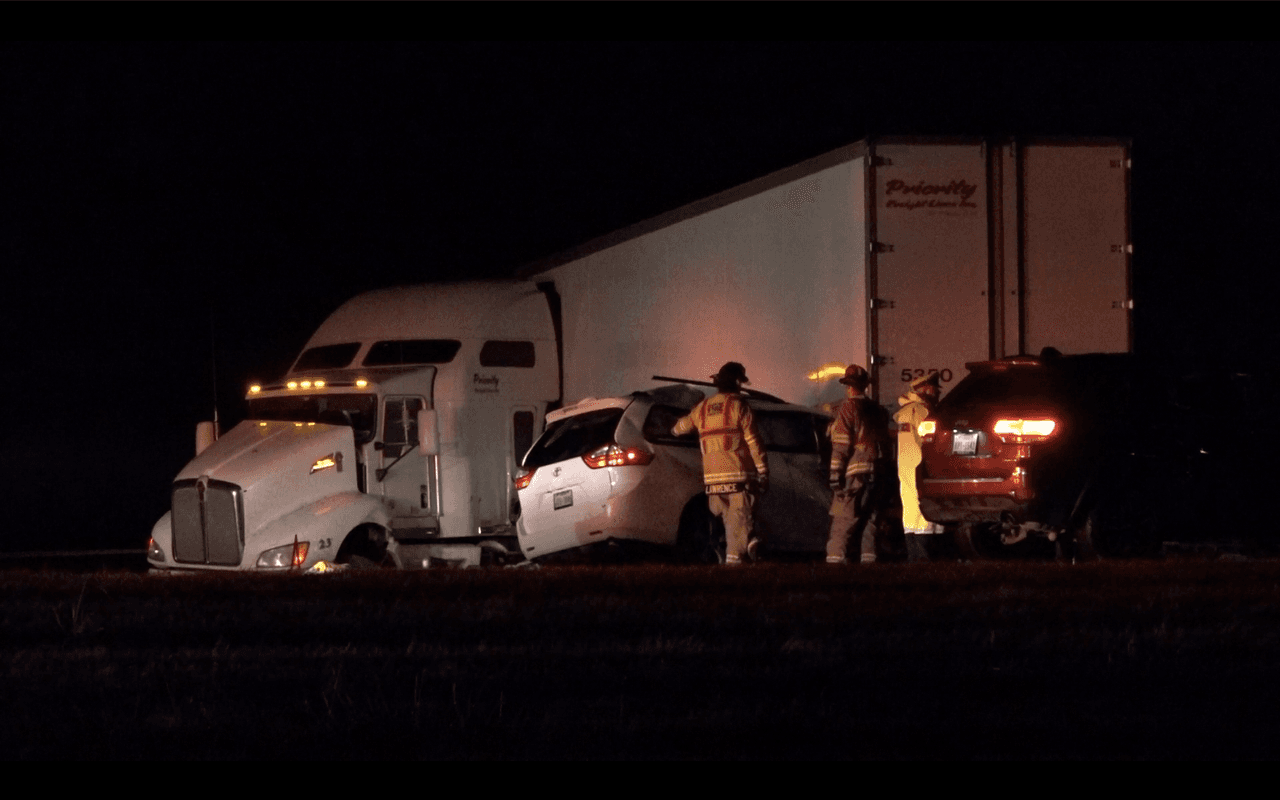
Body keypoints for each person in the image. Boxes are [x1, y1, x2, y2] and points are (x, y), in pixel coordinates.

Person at [671, 362, 769, 565]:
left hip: (713, 482)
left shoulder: (703, 407)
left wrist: (671, 426)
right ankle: (742, 555)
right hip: (739, 477)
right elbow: (754, 442)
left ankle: (744, 546)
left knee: (729, 525)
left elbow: (678, 428)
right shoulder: (739, 406)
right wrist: (763, 471)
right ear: (736, 383)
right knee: (738, 525)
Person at [826, 363, 893, 564]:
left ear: (847, 386)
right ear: (865, 385)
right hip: (878, 470)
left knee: (845, 518)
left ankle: (835, 561)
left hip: (857, 472)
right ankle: (869, 561)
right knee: (871, 518)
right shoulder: (878, 410)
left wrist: (834, 474)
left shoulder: (847, 408)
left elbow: (842, 445)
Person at [895, 373, 942, 562]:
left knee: (911, 516)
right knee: (924, 517)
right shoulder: (922, 412)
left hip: (907, 473)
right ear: (926, 389)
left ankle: (914, 564)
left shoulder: (906, 411)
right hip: (922, 471)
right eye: (935, 389)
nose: (937, 393)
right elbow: (933, 443)